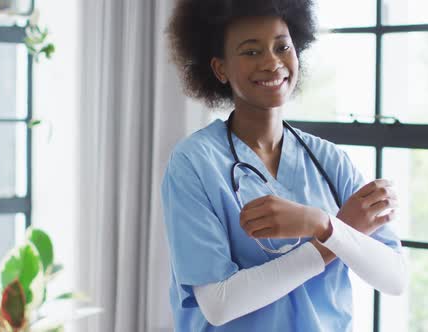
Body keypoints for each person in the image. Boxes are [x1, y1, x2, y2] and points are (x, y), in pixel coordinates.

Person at [161, 0, 407, 330]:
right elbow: (219, 303)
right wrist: (332, 236)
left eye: (282, 47)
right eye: (251, 52)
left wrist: (323, 224)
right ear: (221, 69)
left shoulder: (329, 160)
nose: (272, 63)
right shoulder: (194, 163)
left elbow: (394, 277)